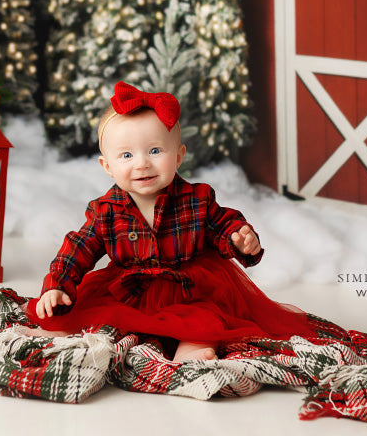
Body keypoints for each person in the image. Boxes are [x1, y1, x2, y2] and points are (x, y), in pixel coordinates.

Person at [25, 81, 314, 362]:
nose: (142, 163)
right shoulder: (106, 211)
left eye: (155, 151)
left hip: (188, 289)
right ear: (107, 166)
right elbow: (78, 248)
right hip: (132, 288)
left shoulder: (197, 199)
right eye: (127, 155)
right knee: (93, 313)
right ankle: (70, 329)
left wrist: (239, 238)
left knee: (206, 317)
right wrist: (57, 285)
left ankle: (193, 345)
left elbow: (222, 224)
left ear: (178, 156)